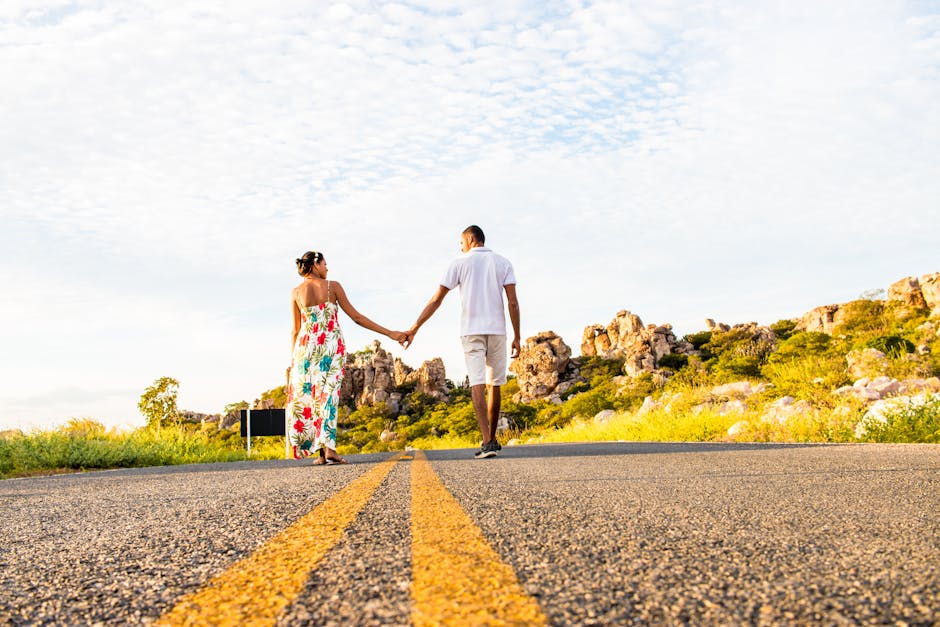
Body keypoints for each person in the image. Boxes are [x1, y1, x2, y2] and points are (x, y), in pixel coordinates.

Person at [404, 225, 520, 459]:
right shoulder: (503, 262)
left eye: (461, 242)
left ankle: (487, 440)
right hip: (497, 330)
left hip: (471, 330)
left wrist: (414, 327)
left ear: (470, 239)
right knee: (494, 383)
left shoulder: (459, 263)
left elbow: (436, 300)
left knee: (476, 381)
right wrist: (518, 336)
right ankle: (493, 440)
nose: (460, 246)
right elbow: (513, 303)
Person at [287, 250, 407, 465]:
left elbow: (295, 331)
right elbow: (357, 318)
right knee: (328, 396)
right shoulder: (332, 286)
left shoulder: (296, 292)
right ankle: (329, 450)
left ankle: (321, 453)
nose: (327, 268)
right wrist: (390, 333)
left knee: (312, 397)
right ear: (315, 264)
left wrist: (292, 361)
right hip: (330, 347)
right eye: (325, 264)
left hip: (305, 349)